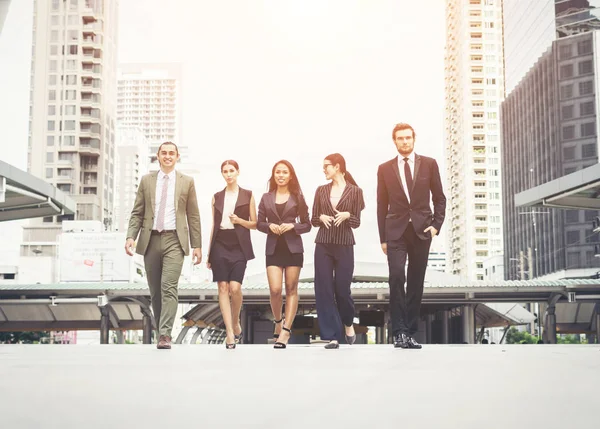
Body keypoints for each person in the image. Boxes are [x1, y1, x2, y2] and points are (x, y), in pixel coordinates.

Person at [125, 142, 202, 350]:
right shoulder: (146, 181)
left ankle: (165, 334)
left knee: (169, 287)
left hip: (175, 240)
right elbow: (137, 212)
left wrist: (197, 245)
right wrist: (131, 236)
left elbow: (193, 215)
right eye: (164, 153)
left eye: (171, 153)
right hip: (150, 240)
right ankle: (162, 331)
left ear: (177, 157)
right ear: (158, 156)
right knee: (156, 291)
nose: (168, 156)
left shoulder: (187, 182)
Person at [377, 123, 446, 349]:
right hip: (395, 231)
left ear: (414, 139)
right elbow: (381, 205)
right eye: (400, 138)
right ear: (394, 141)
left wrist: (436, 225)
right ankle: (399, 332)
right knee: (397, 276)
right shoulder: (385, 168)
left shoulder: (429, 164)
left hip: (421, 231)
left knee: (416, 282)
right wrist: (383, 239)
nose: (404, 141)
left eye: (408, 137)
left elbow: (439, 197)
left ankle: (410, 332)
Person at [311, 153, 365, 349]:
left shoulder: (356, 191)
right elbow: (313, 218)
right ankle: (332, 335)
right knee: (324, 289)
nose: (324, 169)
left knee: (342, 290)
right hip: (323, 243)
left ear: (338, 166)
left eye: (327, 166)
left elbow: (357, 222)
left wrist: (348, 214)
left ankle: (348, 323)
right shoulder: (320, 190)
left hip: (344, 244)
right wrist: (321, 218)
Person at [257, 160, 311, 349]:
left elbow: (307, 224)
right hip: (273, 247)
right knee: (275, 290)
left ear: (290, 176)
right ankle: (278, 321)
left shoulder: (298, 197)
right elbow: (259, 223)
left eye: (284, 172)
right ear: (274, 175)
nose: (280, 175)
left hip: (293, 248)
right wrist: (269, 226)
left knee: (291, 288)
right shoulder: (266, 197)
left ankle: (286, 331)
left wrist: (293, 226)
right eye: (277, 172)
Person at [207, 160, 257, 349]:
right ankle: (229, 332)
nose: (228, 174)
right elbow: (214, 225)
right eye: (225, 171)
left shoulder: (248, 195)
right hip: (220, 243)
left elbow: (255, 223)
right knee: (222, 287)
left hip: (239, 244)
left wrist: (240, 220)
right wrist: (209, 254)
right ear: (222, 174)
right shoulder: (216, 197)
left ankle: (236, 322)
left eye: (231, 171)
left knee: (235, 288)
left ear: (238, 172)